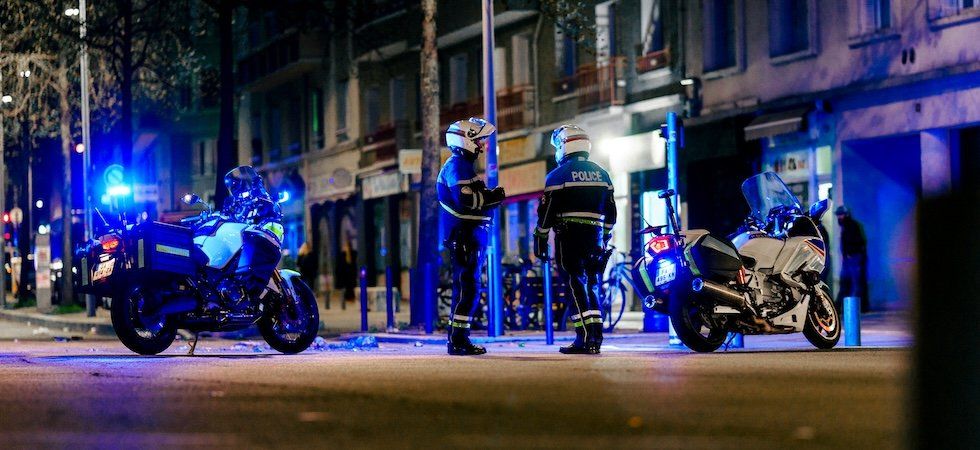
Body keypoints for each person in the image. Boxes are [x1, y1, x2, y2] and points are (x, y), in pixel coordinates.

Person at [534, 125, 616, 354]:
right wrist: (605, 236)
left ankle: (584, 338)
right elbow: (612, 213)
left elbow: (547, 212)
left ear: (563, 146)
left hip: (569, 236)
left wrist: (540, 237)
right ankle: (596, 337)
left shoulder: (557, 175)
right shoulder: (602, 174)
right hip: (595, 236)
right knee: (592, 285)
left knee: (575, 285)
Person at [438, 118, 506, 356]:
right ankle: (458, 341)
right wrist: (492, 197)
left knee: (468, 288)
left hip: (469, 236)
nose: (481, 146)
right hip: (465, 235)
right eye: (478, 141)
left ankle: (459, 339)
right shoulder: (457, 166)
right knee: (468, 289)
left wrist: (489, 197)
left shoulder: (462, 166)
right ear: (465, 141)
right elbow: (466, 199)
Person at [835, 206, 868, 312]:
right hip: (851, 259)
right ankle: (845, 308)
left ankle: (855, 308)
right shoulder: (847, 226)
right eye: (838, 215)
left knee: (854, 284)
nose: (839, 217)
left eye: (841, 215)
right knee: (847, 284)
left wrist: (850, 253)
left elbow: (858, 243)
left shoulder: (851, 226)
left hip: (854, 258)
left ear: (846, 215)